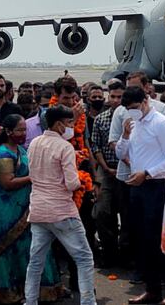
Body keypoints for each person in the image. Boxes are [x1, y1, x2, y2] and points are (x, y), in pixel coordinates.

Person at [115, 86, 165, 305]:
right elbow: (121, 153)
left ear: (146, 100)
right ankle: (152, 288)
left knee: (162, 238)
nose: (133, 112)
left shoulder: (161, 123)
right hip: (138, 185)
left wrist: (147, 174)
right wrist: (125, 136)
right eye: (129, 109)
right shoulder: (134, 124)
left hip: (158, 185)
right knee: (142, 239)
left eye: (135, 107)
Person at [25, 105, 96, 305]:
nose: (72, 127)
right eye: (69, 123)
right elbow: (72, 183)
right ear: (58, 124)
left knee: (35, 262)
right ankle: (88, 302)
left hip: (38, 211)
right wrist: (82, 177)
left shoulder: (34, 143)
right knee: (84, 259)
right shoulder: (65, 147)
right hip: (62, 211)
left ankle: (30, 301)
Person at [0, 114, 64, 303]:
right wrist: (35, 177)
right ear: (8, 132)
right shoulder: (3, 154)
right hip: (7, 209)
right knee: (11, 247)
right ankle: (8, 290)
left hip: (27, 205)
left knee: (34, 247)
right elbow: (8, 182)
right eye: (20, 130)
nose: (24, 133)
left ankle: (39, 289)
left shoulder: (20, 149)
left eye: (25, 129)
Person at [91, 81, 126, 267]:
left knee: (127, 213)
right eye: (113, 97)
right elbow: (95, 146)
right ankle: (109, 253)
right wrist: (105, 168)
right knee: (103, 213)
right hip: (106, 169)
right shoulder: (101, 119)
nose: (116, 100)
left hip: (126, 170)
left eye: (119, 97)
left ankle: (126, 255)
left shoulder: (131, 121)